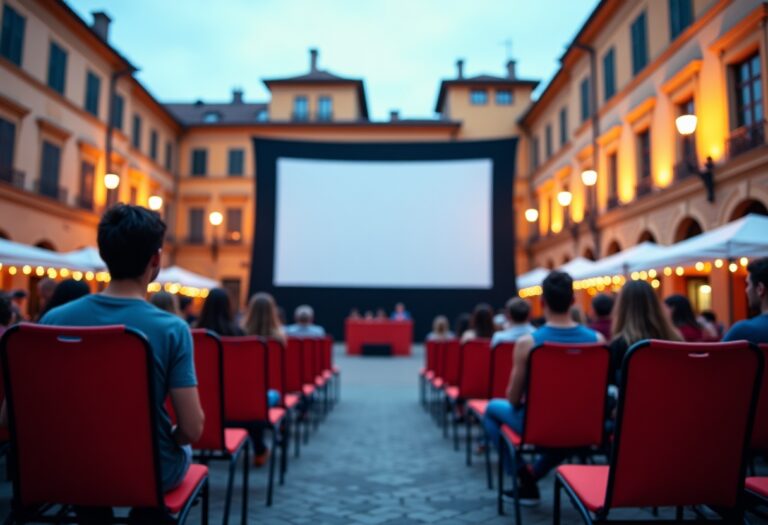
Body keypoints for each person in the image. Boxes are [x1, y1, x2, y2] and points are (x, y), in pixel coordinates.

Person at [37, 204, 203, 498]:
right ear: (156, 259)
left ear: (104, 254)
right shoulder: (172, 330)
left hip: (65, 465)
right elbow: (191, 428)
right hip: (151, 469)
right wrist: (172, 438)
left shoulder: (53, 320)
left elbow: (7, 419)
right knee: (180, 453)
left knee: (88, 475)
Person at [482, 271, 603, 505]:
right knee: (567, 430)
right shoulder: (597, 340)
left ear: (542, 302)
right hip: (585, 426)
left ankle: (523, 474)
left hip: (538, 425)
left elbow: (514, 398)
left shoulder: (528, 344)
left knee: (491, 410)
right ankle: (533, 474)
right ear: (573, 301)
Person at [609, 280, 682, 384]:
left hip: (635, 400)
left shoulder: (618, 345)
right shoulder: (676, 340)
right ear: (656, 304)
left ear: (621, 307)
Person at [242, 291, 284, 466]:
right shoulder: (280, 341)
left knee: (252, 401)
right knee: (264, 399)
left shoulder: (239, 338)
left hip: (243, 396)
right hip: (268, 395)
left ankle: (259, 447)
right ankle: (266, 443)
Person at [724, 257, 768, 343]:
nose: (746, 290)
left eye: (748, 284)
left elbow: (714, 356)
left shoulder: (743, 331)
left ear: (760, 289)